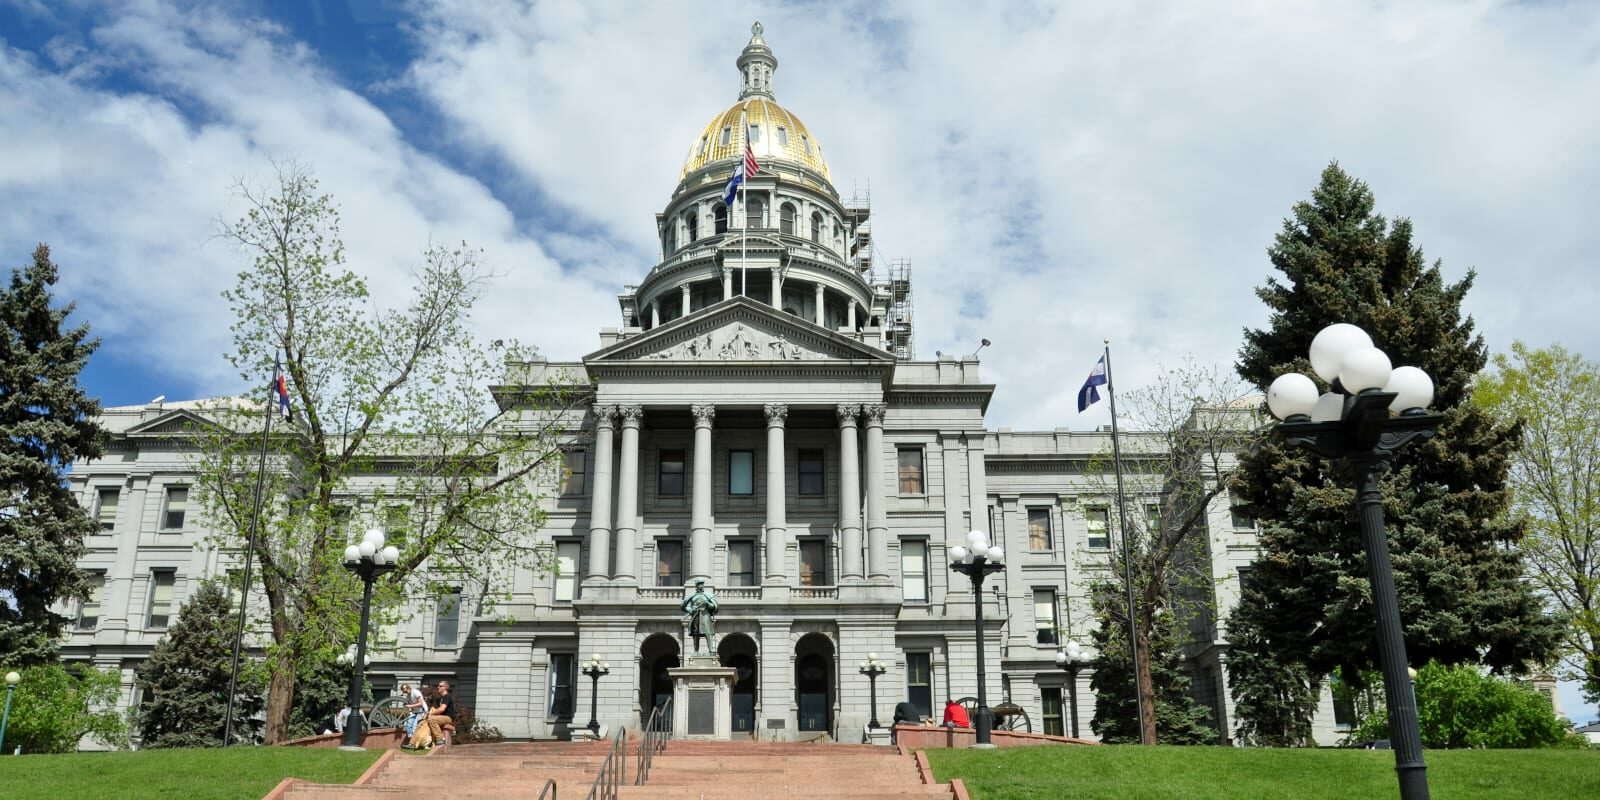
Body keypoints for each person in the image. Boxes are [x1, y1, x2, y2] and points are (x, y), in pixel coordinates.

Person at [406, 680, 457, 749]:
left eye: (440, 686)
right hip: (440, 717)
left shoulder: (447, 697)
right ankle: (412, 743)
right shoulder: (439, 699)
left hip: (448, 717)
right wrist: (427, 714)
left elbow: (442, 709)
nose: (438, 687)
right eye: (438, 686)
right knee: (421, 723)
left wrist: (431, 713)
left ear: (446, 687)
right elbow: (433, 709)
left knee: (432, 719)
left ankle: (440, 739)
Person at [682, 580, 718, 654]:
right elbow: (683, 606)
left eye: (702, 584)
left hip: (705, 615)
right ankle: (696, 651)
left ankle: (711, 650)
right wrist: (691, 610)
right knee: (696, 633)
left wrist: (708, 604)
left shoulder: (707, 595)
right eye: (700, 584)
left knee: (708, 632)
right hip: (696, 615)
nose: (701, 586)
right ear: (697, 586)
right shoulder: (693, 596)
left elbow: (713, 606)